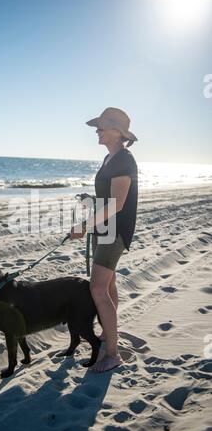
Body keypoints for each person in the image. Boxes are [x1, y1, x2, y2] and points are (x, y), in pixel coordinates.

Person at [69, 107, 138, 373]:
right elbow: (109, 199)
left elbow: (119, 204)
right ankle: (108, 336)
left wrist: (84, 226)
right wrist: (91, 201)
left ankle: (113, 354)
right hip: (104, 228)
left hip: (115, 231)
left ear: (117, 132)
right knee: (107, 286)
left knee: (97, 288)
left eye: (101, 127)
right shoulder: (109, 159)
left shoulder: (124, 160)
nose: (96, 131)